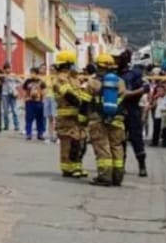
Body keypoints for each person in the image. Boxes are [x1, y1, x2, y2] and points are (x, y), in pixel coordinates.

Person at [86, 53, 127, 186]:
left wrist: (83, 117)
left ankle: (105, 177)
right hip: (118, 119)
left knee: (102, 147)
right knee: (117, 146)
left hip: (98, 119)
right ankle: (117, 177)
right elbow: (122, 99)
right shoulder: (120, 82)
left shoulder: (93, 82)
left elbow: (86, 100)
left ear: (98, 66)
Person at [52, 50, 88, 178]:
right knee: (68, 143)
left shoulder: (74, 78)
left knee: (79, 142)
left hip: (77, 116)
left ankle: (77, 166)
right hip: (66, 117)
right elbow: (68, 95)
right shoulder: (61, 79)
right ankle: (68, 169)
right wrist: (81, 103)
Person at [119, 50, 149, 177]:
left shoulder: (135, 73)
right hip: (118, 109)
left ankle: (142, 166)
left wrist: (129, 94)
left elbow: (146, 88)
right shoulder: (115, 73)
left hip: (132, 108)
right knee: (119, 139)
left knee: (137, 139)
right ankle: (120, 166)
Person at [22, 73, 47, 141]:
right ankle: (28, 134)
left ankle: (40, 134)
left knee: (40, 119)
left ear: (37, 74)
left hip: (39, 102)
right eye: (31, 73)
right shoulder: (27, 81)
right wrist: (24, 100)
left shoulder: (41, 82)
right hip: (29, 102)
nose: (32, 75)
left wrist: (43, 100)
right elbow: (24, 91)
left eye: (33, 73)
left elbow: (44, 91)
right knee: (29, 119)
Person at [0, 65, 20, 132]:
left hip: (12, 94)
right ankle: (6, 125)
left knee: (14, 110)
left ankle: (16, 126)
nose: (8, 70)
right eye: (6, 69)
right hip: (5, 94)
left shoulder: (13, 75)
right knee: (5, 111)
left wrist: (15, 86)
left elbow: (21, 82)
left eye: (9, 68)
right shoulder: (2, 76)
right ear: (4, 69)